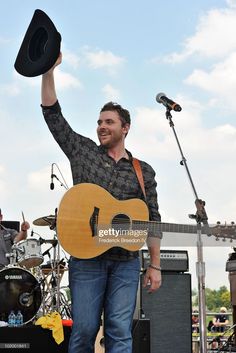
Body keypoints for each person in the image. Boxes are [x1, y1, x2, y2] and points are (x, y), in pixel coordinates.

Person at [41, 52, 162, 353]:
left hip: (125, 262)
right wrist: (48, 72)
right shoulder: (84, 152)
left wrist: (155, 265)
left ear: (125, 128)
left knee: (120, 332)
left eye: (109, 122)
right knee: (83, 330)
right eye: (99, 122)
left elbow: (154, 220)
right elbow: (53, 116)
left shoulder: (143, 171)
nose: (101, 126)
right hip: (86, 259)